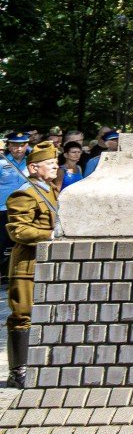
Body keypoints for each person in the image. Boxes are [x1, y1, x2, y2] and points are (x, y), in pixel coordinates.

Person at [7, 141, 59, 389]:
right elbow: (18, 231)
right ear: (34, 167)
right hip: (27, 265)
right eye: (50, 164)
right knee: (23, 315)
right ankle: (19, 370)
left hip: (47, 264)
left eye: (56, 163)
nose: (56, 167)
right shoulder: (24, 194)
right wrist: (49, 235)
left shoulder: (51, 192)